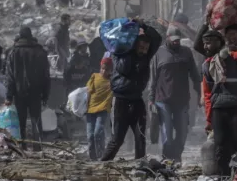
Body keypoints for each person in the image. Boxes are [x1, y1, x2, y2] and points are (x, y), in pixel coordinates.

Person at [200, 24, 237, 175]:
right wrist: (208, 119)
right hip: (218, 108)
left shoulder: (234, 57)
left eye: (210, 42)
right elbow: (207, 95)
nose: (207, 46)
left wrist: (233, 51)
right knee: (220, 145)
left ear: (219, 42)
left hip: (236, 106)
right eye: (205, 43)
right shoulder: (207, 65)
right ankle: (223, 177)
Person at [100, 22, 162, 161]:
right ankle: (103, 164)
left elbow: (157, 38)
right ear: (134, 45)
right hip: (120, 100)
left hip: (137, 99)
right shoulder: (121, 52)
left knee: (141, 136)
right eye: (140, 47)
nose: (143, 50)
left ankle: (140, 164)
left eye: (146, 48)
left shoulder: (146, 56)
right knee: (117, 139)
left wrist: (143, 26)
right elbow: (124, 69)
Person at [150, 27, 201, 162]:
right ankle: (167, 159)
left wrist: (200, 93)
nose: (176, 43)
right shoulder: (159, 53)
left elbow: (195, 75)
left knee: (183, 132)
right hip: (162, 99)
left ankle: (176, 156)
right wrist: (151, 100)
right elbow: (153, 78)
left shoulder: (186, 52)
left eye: (178, 40)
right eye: (173, 40)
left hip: (182, 99)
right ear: (167, 38)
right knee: (166, 133)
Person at [3, 26, 51, 148]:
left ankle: (22, 146)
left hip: (20, 92)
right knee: (36, 120)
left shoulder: (13, 52)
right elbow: (46, 75)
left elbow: (10, 77)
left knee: (21, 121)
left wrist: (9, 96)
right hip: (36, 92)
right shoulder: (40, 52)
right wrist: (45, 94)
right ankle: (38, 146)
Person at [85, 57, 114, 160]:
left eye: (106, 69)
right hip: (90, 110)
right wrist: (86, 106)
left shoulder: (112, 81)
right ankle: (93, 158)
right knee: (90, 136)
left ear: (110, 70)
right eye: (102, 68)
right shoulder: (94, 76)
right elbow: (88, 91)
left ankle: (101, 155)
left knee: (98, 132)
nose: (103, 71)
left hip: (103, 110)